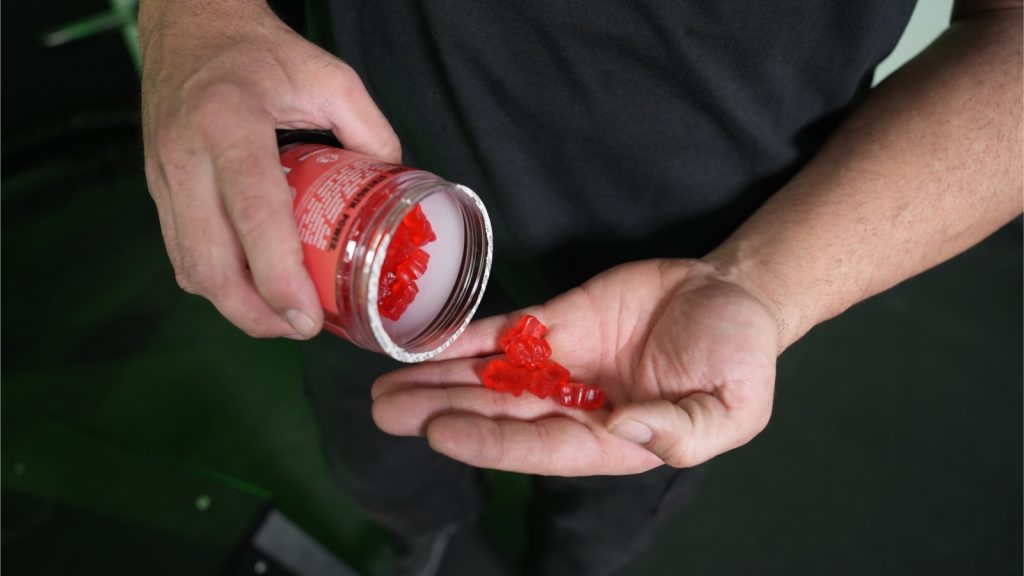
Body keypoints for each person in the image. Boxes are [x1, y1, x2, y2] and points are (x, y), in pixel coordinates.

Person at [138, 0, 1022, 574]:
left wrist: (761, 284)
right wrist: (198, 14)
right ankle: (420, 541)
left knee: (603, 513)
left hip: (669, 295)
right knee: (381, 453)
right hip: (356, 214)